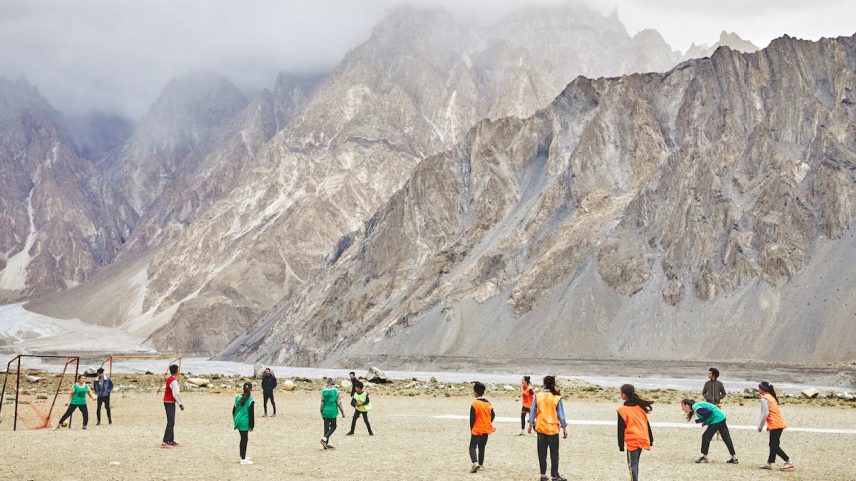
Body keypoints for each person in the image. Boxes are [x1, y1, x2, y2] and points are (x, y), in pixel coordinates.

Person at [527, 376, 568, 481]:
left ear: (544, 384)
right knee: (554, 454)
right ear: (553, 384)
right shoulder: (556, 397)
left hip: (540, 428)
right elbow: (561, 415)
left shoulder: (538, 396)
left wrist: (530, 424)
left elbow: (532, 412)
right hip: (552, 429)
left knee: (542, 453)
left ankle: (543, 475)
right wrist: (564, 428)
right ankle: (555, 476)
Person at [680, 399, 738, 464]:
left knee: (706, 436)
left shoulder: (695, 407)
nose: (682, 409)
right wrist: (705, 422)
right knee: (726, 438)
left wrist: (700, 420)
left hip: (717, 419)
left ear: (687, 405)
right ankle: (734, 458)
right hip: (721, 416)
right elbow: (708, 414)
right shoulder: (696, 406)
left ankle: (704, 458)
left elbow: (710, 413)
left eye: (682, 406)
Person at [617, 384, 653, 481]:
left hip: (632, 440)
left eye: (621, 393)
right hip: (642, 438)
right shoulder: (640, 407)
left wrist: (621, 445)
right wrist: (651, 439)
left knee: (632, 464)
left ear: (624, 395)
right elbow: (646, 424)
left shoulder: (622, 410)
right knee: (635, 462)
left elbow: (620, 429)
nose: (620, 394)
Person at [757, 382, 794, 471]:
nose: (758, 390)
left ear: (762, 389)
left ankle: (788, 461)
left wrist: (760, 426)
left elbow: (764, 413)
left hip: (775, 424)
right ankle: (769, 463)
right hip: (778, 423)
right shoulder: (771, 397)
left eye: (759, 388)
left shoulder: (764, 398)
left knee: (774, 445)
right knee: (773, 444)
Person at [468, 381, 496, 473]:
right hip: (486, 428)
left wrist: (472, 428)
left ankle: (475, 463)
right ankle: (481, 464)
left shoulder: (475, 403)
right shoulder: (488, 403)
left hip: (477, 428)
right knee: (482, 447)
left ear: (475, 392)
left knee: (472, 447)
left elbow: (472, 419)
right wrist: (488, 422)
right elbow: (493, 415)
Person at [162, 364, 185, 448]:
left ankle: (171, 440)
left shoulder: (170, 379)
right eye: (178, 370)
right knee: (171, 422)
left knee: (171, 421)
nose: (179, 371)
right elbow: (176, 394)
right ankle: (165, 441)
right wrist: (180, 404)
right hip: (170, 402)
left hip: (167, 401)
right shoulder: (173, 381)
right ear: (176, 371)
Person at [320, 377, 345, 449]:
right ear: (334, 382)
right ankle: (324, 440)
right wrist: (342, 412)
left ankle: (325, 444)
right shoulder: (336, 391)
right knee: (334, 426)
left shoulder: (323, 391)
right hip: (332, 411)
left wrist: (321, 411)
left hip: (325, 411)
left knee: (326, 427)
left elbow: (322, 402)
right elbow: (339, 403)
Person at [233, 382, 255, 464]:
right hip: (244, 421)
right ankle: (243, 459)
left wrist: (235, 419)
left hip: (238, 420)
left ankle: (242, 456)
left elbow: (233, 410)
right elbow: (251, 414)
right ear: (251, 389)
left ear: (243, 388)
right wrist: (251, 425)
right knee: (244, 439)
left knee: (243, 438)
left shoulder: (238, 397)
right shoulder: (250, 400)